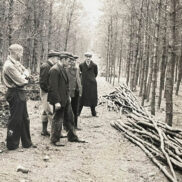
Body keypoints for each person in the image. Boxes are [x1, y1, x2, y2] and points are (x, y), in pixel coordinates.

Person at [2, 44, 34, 150]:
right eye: (21, 52)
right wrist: (25, 75)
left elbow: (26, 72)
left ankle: (27, 143)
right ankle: (12, 144)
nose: (22, 54)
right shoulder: (9, 65)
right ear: (16, 53)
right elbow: (22, 81)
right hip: (15, 93)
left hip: (20, 93)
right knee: (15, 119)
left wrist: (25, 75)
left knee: (25, 118)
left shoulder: (15, 63)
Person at [48, 52, 82, 146]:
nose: (69, 62)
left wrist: (68, 97)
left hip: (65, 99)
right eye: (68, 60)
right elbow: (53, 88)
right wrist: (56, 102)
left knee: (70, 118)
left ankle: (72, 137)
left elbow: (65, 85)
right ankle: (55, 140)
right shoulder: (54, 70)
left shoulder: (62, 68)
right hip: (59, 100)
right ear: (62, 59)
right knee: (57, 119)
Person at [39, 50, 59, 136]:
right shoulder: (46, 66)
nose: (57, 60)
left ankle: (44, 131)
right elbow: (43, 82)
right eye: (56, 58)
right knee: (50, 112)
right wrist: (49, 92)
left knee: (45, 111)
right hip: (46, 92)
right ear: (53, 58)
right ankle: (54, 133)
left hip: (47, 91)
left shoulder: (50, 65)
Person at [78, 52, 98, 116]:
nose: (88, 58)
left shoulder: (94, 65)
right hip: (84, 84)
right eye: (87, 57)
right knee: (82, 98)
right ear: (85, 57)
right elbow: (79, 73)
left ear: (91, 58)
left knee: (92, 98)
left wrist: (91, 79)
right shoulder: (81, 65)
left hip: (92, 85)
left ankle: (93, 112)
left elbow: (95, 74)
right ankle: (78, 112)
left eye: (89, 57)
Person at [66, 55, 82, 129]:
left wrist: (80, 90)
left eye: (74, 61)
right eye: (71, 61)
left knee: (75, 109)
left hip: (76, 91)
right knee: (68, 109)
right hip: (69, 92)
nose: (73, 62)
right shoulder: (67, 70)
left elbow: (78, 80)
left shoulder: (77, 69)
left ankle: (75, 125)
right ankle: (67, 125)